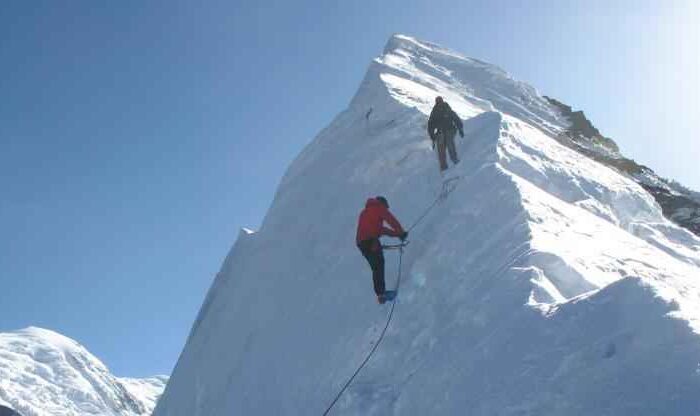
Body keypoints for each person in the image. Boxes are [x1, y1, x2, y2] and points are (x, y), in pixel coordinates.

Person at [356, 196, 408, 304]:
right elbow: (391, 220)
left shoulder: (366, 212)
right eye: (386, 208)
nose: (386, 210)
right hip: (371, 240)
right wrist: (401, 232)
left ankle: (381, 294)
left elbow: (382, 230)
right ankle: (382, 294)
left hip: (361, 243)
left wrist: (397, 234)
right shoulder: (378, 207)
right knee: (379, 264)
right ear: (383, 204)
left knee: (376, 266)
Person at [427, 96, 464, 172]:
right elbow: (430, 125)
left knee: (448, 146)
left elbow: (456, 119)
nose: (439, 103)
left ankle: (454, 163)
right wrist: (433, 136)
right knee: (443, 151)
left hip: (448, 131)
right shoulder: (436, 111)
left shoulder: (445, 110)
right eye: (438, 102)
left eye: (439, 101)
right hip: (442, 132)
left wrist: (460, 129)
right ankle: (446, 168)